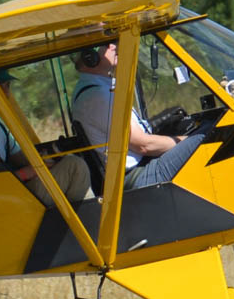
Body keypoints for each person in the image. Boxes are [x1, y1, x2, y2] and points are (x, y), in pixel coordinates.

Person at [70, 43, 209, 190]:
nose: (114, 46)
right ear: (89, 57)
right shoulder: (98, 96)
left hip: (138, 168)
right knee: (207, 137)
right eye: (105, 44)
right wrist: (187, 140)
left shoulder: (96, 88)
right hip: (138, 176)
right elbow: (143, 145)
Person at [0, 71, 92, 205]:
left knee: (70, 161)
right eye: (3, 87)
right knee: (75, 167)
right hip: (1, 202)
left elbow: (22, 158)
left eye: (7, 86)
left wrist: (48, 159)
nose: (7, 94)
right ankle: (70, 227)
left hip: (13, 193)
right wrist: (28, 172)